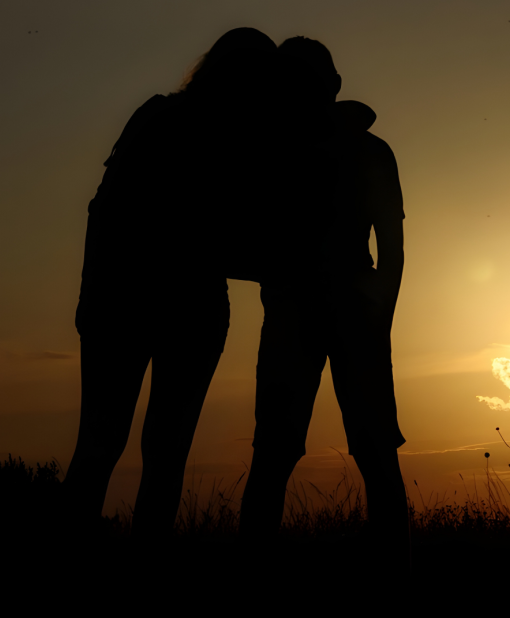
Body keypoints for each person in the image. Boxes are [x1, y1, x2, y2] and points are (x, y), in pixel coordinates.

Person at [64, 28, 278, 537]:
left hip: (153, 306)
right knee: (138, 449)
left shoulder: (180, 123)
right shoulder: (210, 135)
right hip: (153, 306)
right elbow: (116, 214)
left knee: (124, 448)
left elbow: (106, 212)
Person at [239, 37, 410, 570]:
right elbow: (392, 245)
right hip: (310, 304)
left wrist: (381, 306)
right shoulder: (277, 150)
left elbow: (392, 243)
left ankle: (387, 545)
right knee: (283, 437)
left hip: (335, 303)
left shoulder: (351, 149)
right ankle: (260, 548)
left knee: (364, 435)